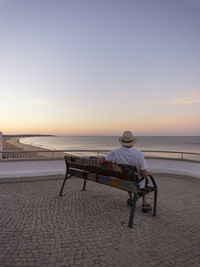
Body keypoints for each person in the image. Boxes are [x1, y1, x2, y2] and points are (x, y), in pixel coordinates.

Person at [99, 130, 152, 213]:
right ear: (132, 142)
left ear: (122, 142)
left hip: (123, 181)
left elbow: (101, 160)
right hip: (136, 182)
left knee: (128, 176)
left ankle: (131, 199)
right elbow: (144, 173)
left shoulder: (115, 152)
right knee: (144, 179)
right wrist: (144, 174)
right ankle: (144, 204)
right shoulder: (138, 154)